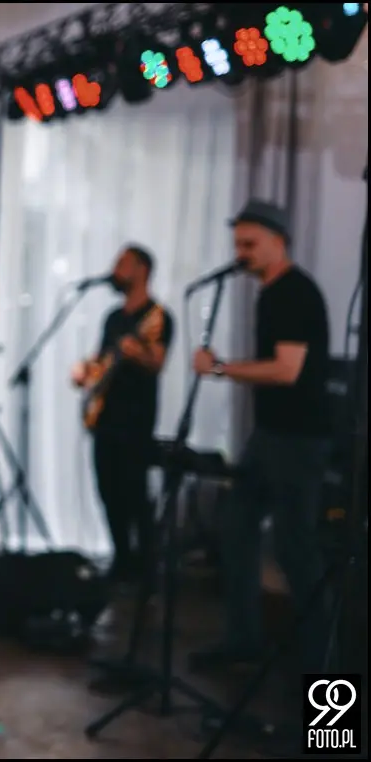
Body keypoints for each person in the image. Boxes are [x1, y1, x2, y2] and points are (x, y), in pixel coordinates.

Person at [189, 199, 332, 674]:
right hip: (271, 435)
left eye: (249, 244)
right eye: (237, 245)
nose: (240, 253)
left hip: (297, 440)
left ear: (279, 241)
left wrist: (222, 368)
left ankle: (326, 684)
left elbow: (288, 370)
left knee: (297, 554)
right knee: (236, 529)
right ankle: (244, 639)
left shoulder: (293, 293)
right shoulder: (272, 294)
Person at [71, 245, 174, 587]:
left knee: (134, 492)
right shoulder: (114, 318)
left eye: (122, 264)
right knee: (108, 490)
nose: (115, 270)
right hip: (106, 418)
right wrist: (85, 372)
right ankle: (122, 559)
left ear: (141, 269)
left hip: (136, 419)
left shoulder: (159, 316)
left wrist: (137, 352)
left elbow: (157, 363)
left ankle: (146, 567)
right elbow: (101, 360)